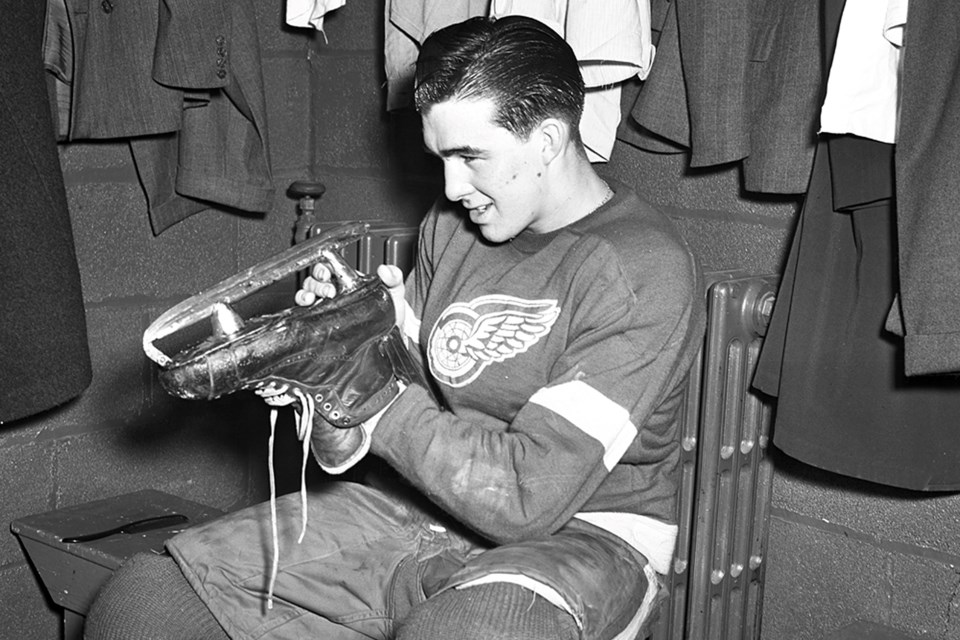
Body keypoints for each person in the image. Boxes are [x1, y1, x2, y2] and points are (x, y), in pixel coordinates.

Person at [84, 15, 705, 640]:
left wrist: (367, 393)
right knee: (145, 600)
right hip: (421, 507)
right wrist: (338, 357)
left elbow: (527, 499)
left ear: (547, 140)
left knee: (468, 632)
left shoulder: (639, 267)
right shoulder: (451, 227)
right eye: (440, 157)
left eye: (470, 156)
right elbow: (378, 427)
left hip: (583, 536)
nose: (451, 187)